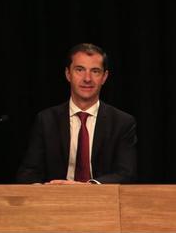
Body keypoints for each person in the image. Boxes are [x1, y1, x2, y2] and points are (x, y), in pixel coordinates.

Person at [17, 43, 137, 184]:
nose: (87, 78)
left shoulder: (122, 122)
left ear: (104, 77)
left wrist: (87, 187)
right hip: (56, 201)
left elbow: (126, 174)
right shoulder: (46, 120)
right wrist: (45, 189)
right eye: (80, 70)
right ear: (68, 74)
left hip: (102, 201)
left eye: (95, 71)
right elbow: (28, 172)